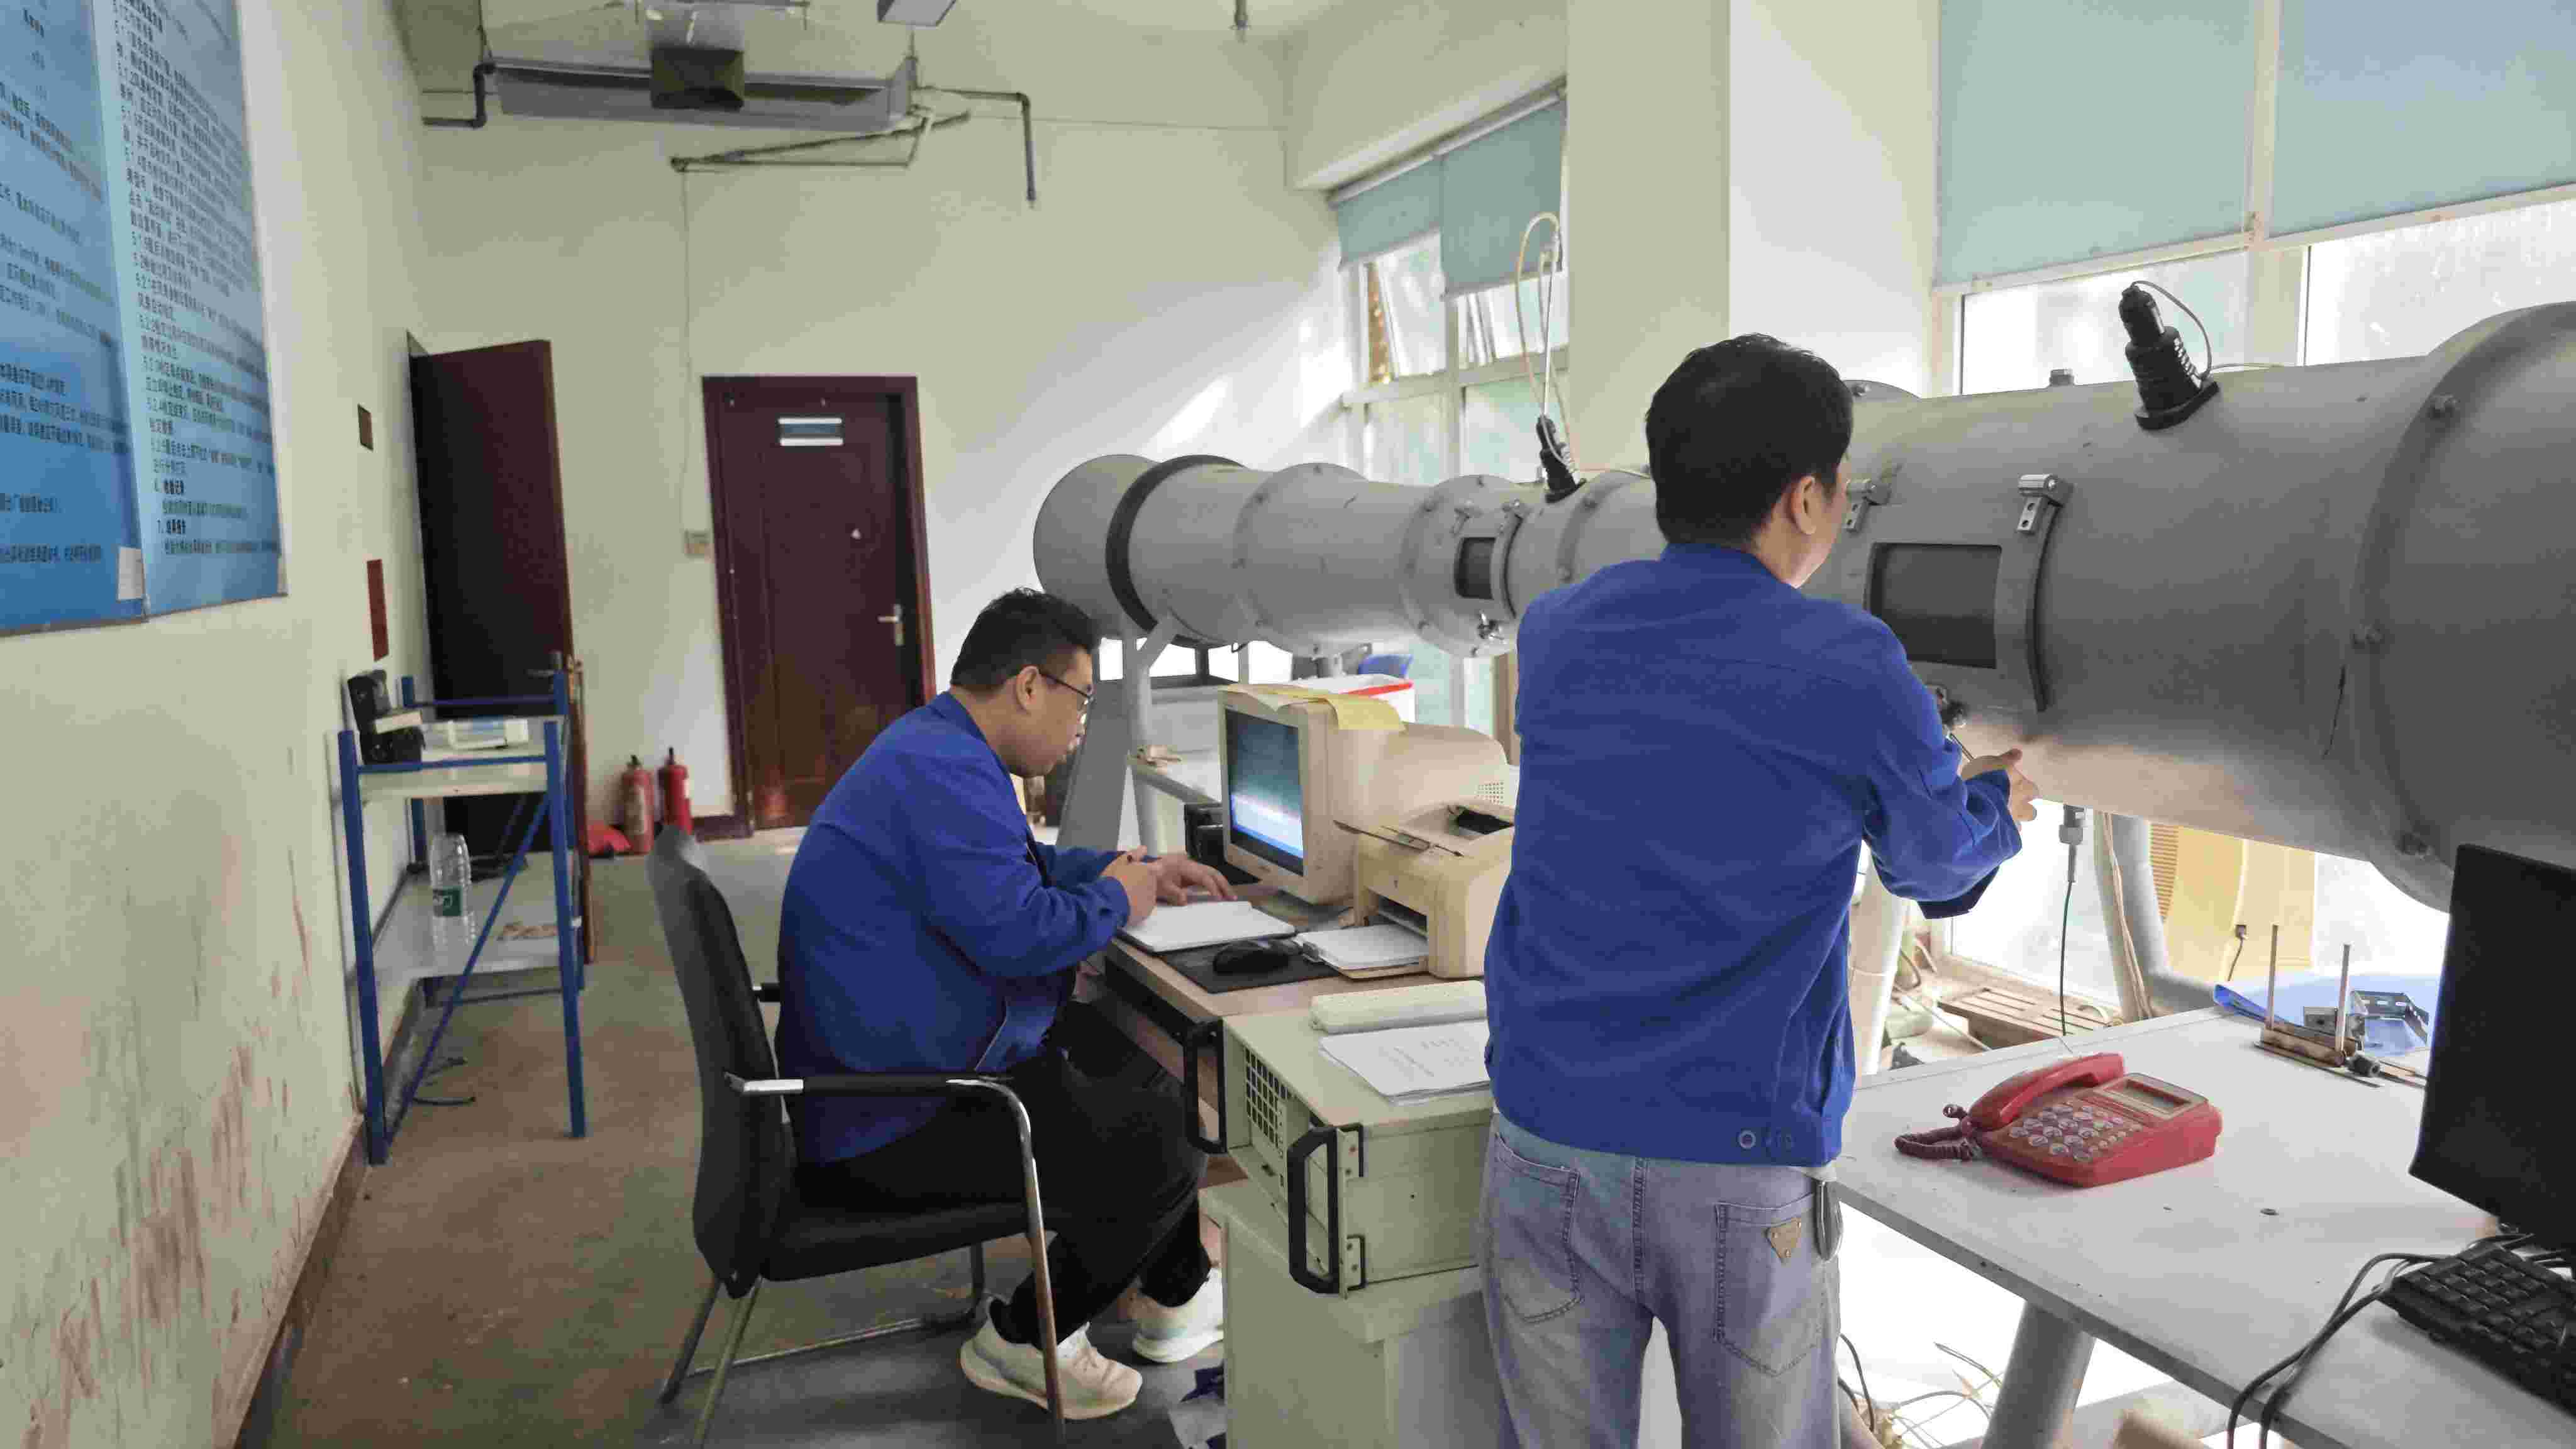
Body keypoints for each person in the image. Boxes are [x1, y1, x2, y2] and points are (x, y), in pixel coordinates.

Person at [1480, 336, 2038, 1448]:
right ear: (1806, 499)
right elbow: (1931, 865)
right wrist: (1999, 805)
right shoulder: (1849, 659)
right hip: (1738, 1162)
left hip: (1546, 1138)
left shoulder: (1557, 629)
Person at [774, 588, 1236, 1420]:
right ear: (1029, 686)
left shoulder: (936, 747)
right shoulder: (944, 772)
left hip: (888, 1074)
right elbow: (1021, 934)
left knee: (1141, 1073)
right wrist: (1119, 901)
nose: (1081, 728)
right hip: (891, 1119)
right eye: (1081, 702)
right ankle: (1023, 1339)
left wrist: (1128, 871)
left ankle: (1176, 1290)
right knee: (1168, 1140)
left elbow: (1015, 871)